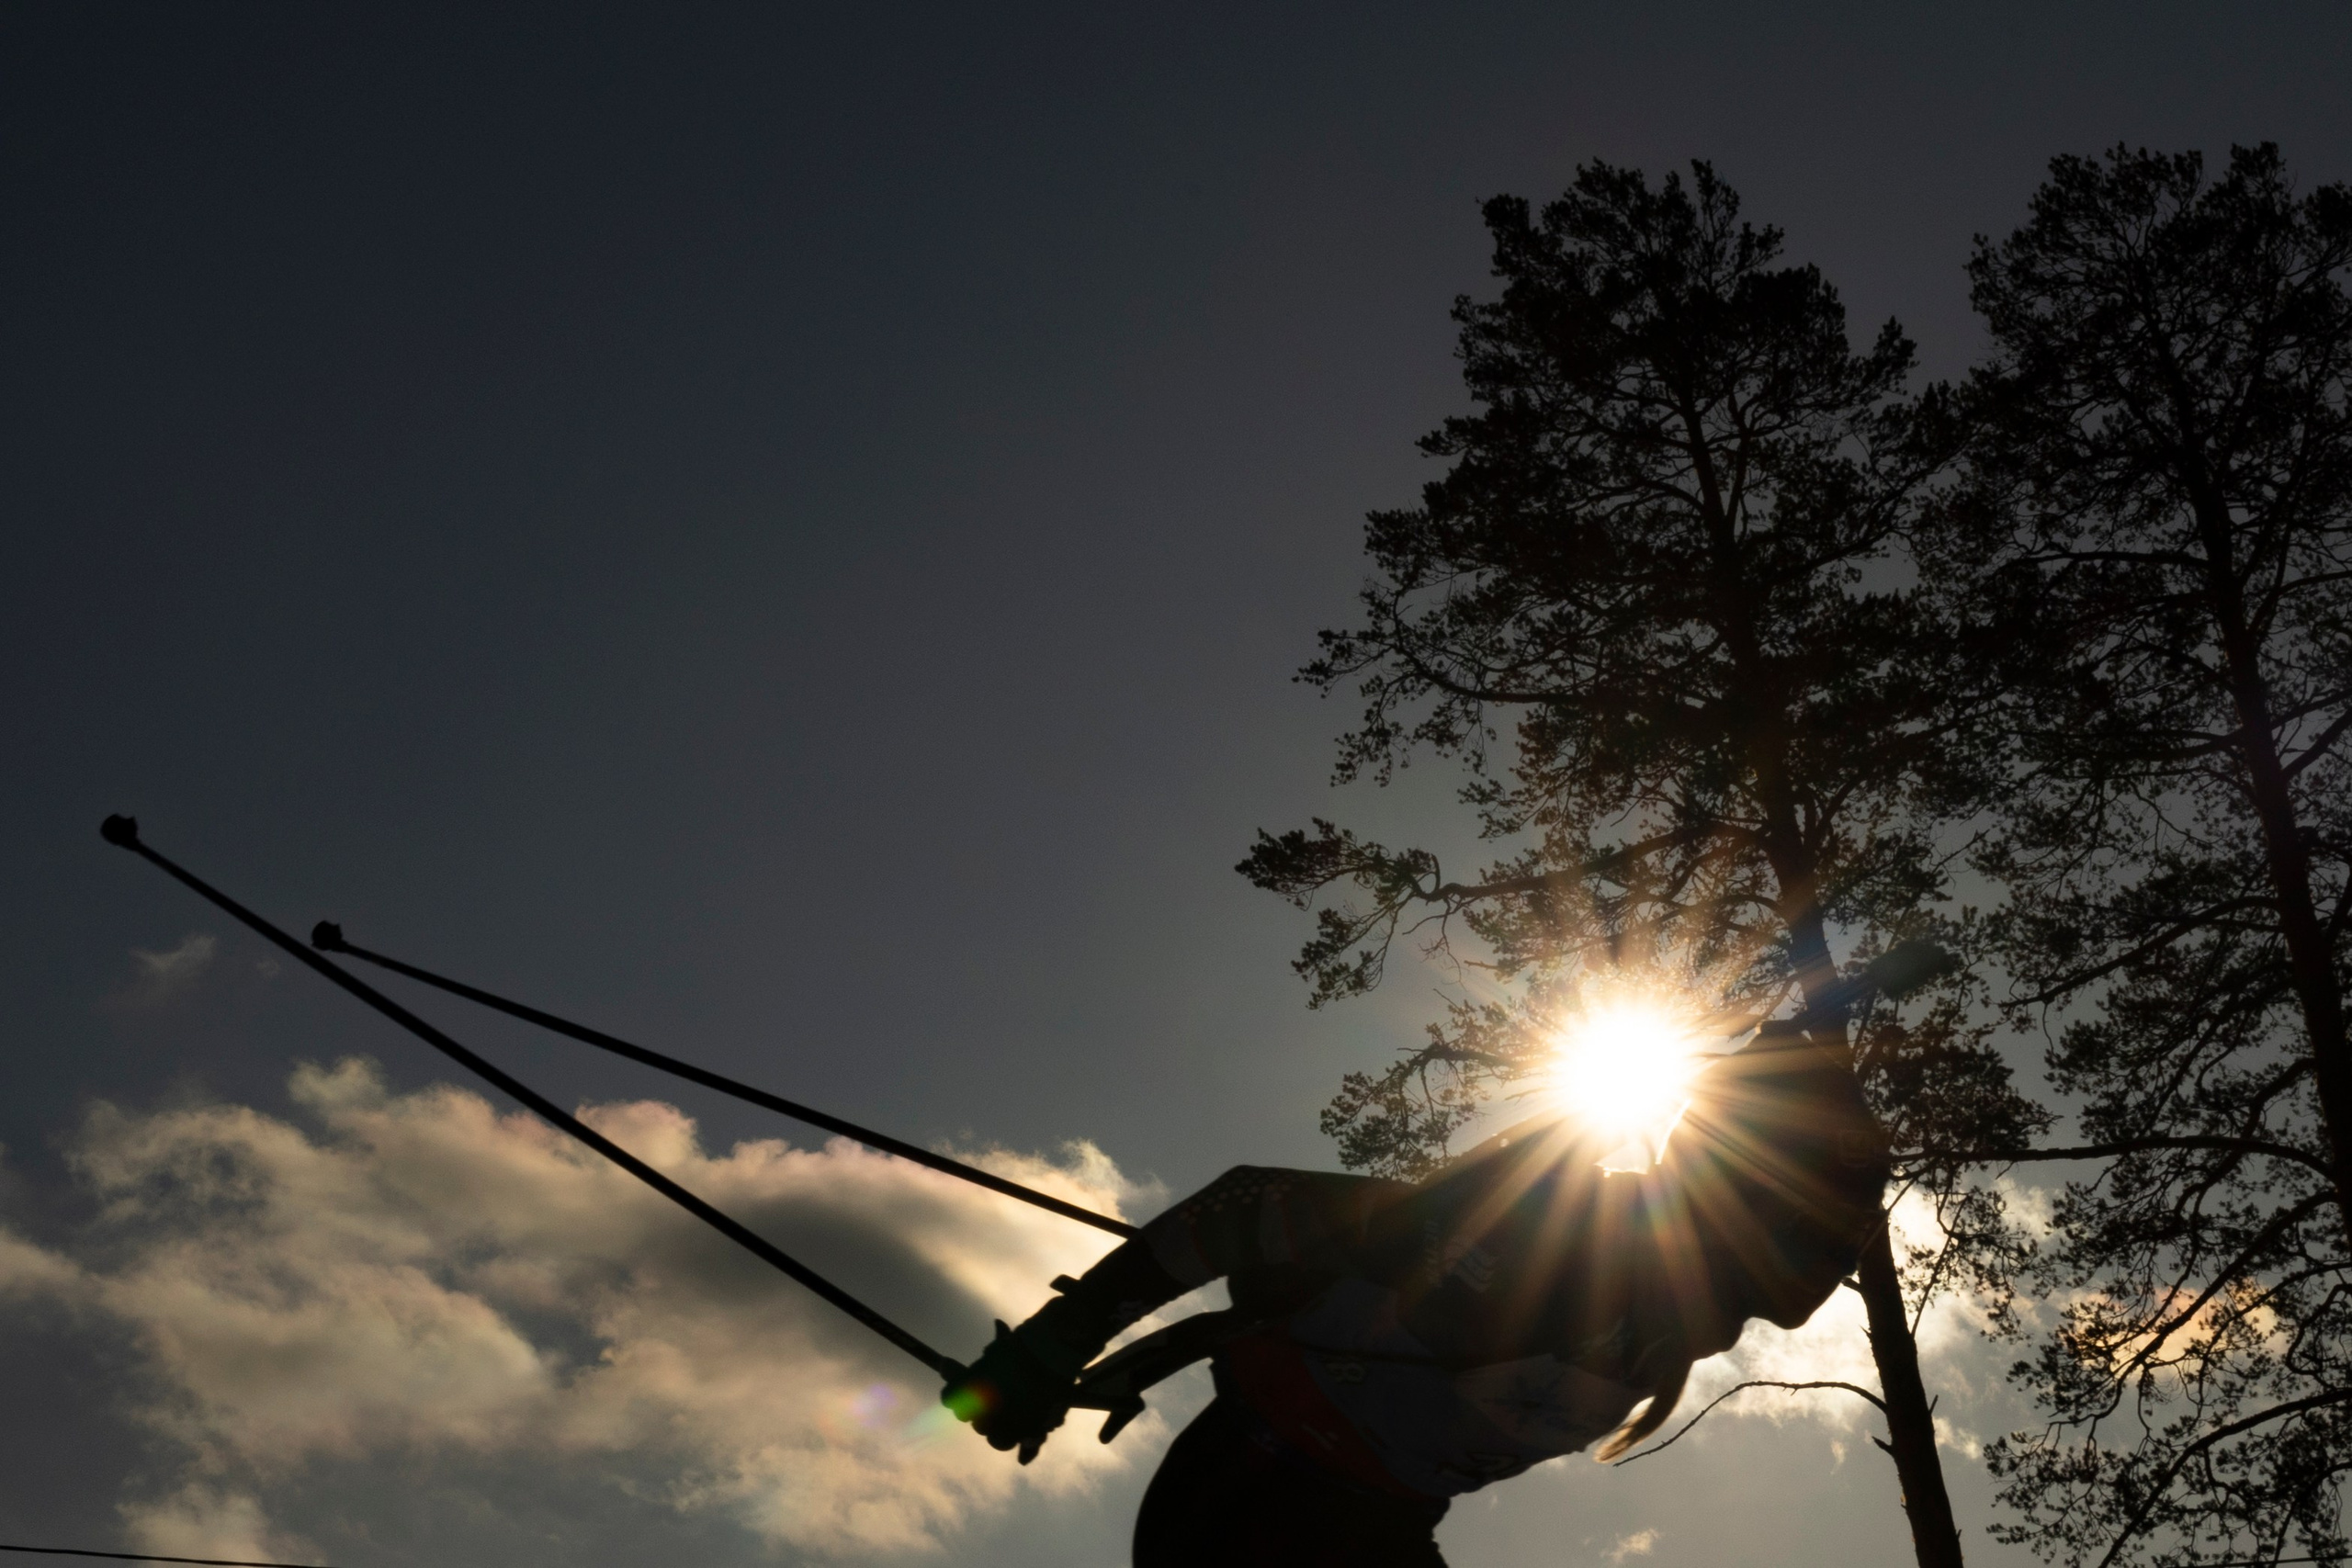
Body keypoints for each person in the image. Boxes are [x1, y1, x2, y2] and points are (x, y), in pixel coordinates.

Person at [943, 1021, 1892, 1567]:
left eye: (1838, 1243)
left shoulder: (1675, 1320)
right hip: (1253, 1510)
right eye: (1815, 1237)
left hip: (1364, 1527)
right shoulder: (1546, 1221)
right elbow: (1249, 1213)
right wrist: (1053, 1345)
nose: (1825, 1274)